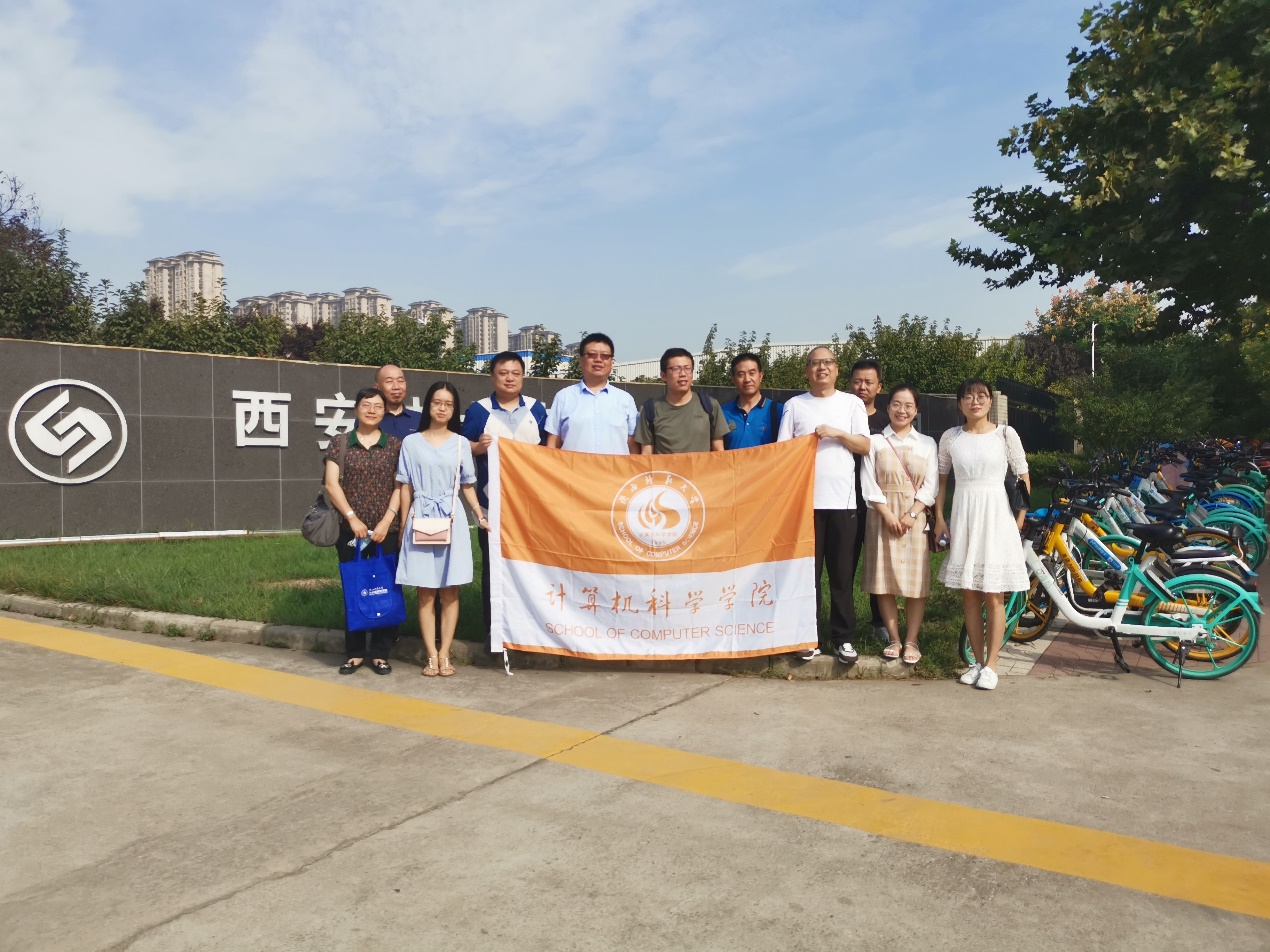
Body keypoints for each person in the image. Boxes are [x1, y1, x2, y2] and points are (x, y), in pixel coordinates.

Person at [933, 378, 1031, 691]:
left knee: (994, 594)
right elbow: (941, 482)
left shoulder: (1005, 434)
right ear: (959, 403)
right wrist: (939, 519)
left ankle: (992, 665)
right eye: (968, 396)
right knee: (970, 594)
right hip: (964, 517)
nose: (974, 401)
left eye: (981, 396)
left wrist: (1019, 520)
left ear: (990, 401)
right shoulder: (950, 437)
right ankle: (976, 662)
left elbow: (1023, 476)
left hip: (997, 517)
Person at [776, 346, 872, 663]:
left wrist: (837, 433)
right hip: (805, 504)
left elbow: (864, 445)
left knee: (842, 576)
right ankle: (808, 637)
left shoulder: (852, 403)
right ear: (806, 371)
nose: (821, 368)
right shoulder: (795, 406)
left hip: (843, 502)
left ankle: (843, 639)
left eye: (827, 362)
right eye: (815, 363)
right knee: (808, 576)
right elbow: (783, 453)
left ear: (837, 369)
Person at [396, 382, 489, 678]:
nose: (442, 408)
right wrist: (403, 523)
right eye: (437, 402)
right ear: (428, 405)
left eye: (448, 404)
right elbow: (405, 486)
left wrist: (479, 514)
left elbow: (467, 485)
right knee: (425, 591)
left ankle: (445, 652)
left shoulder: (461, 443)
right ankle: (431, 654)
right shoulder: (411, 443)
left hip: (451, 517)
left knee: (450, 590)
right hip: (421, 516)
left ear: (454, 410)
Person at [461, 351, 549, 641]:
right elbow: (461, 447)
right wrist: (477, 447)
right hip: (493, 507)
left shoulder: (536, 409)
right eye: (503, 373)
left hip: (532, 506)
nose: (510, 378)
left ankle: (531, 629)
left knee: (532, 567)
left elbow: (549, 453)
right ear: (492, 377)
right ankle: (495, 630)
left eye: (515, 373)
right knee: (494, 568)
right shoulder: (479, 410)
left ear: (523, 376)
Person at [323, 387, 403, 676]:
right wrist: (352, 518)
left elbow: (400, 486)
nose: (372, 410)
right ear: (356, 408)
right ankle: (355, 653)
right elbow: (331, 484)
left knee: (386, 587)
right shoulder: (340, 443)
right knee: (355, 587)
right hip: (350, 531)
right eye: (366, 405)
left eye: (378, 406)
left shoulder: (394, 445)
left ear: (385, 411)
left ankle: (380, 653)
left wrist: (386, 522)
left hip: (386, 531)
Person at [859, 385, 938, 665]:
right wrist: (888, 515)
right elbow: (868, 483)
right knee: (884, 581)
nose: (901, 410)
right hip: (881, 517)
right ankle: (894, 638)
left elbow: (931, 485)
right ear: (888, 406)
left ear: (916, 411)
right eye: (896, 404)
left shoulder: (927, 443)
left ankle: (912, 640)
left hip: (914, 518)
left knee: (916, 583)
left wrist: (912, 514)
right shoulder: (875, 442)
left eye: (908, 406)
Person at [849, 359, 890, 643]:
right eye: (857, 381)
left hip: (878, 504)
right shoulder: (841, 417)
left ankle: (880, 622)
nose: (862, 387)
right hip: (846, 502)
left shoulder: (887, 423)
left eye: (868, 382)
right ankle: (843, 624)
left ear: (879, 387)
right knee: (844, 566)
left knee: (879, 565)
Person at [545, 333, 639, 455]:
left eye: (605, 356)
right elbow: (553, 444)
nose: (598, 360)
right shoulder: (564, 397)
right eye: (592, 355)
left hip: (615, 468)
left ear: (611, 362)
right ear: (580, 360)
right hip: (574, 467)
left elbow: (633, 447)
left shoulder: (625, 399)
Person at [634, 348, 729, 454]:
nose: (683, 374)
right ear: (663, 375)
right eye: (676, 369)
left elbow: (719, 451)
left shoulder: (709, 405)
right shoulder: (650, 409)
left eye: (687, 368)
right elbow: (647, 454)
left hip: (701, 465)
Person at [721, 352, 783, 449]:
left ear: (760, 376)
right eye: (741, 374)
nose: (747, 379)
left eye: (752, 373)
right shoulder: (722, 413)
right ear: (733, 379)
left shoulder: (778, 411)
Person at [375, 364, 422, 442]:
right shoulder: (369, 419)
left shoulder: (420, 419)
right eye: (389, 381)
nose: (396, 387)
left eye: (400, 381)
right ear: (377, 387)